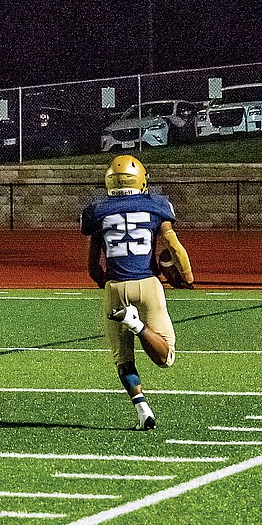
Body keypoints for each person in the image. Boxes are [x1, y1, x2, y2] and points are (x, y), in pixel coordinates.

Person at [80, 154, 194, 431]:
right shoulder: (157, 205)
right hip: (148, 283)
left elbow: (94, 267)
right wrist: (187, 276)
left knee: (123, 360)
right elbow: (174, 245)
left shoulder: (96, 211)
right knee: (165, 357)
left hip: (115, 286)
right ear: (141, 180)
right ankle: (138, 325)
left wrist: (107, 286)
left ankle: (143, 410)